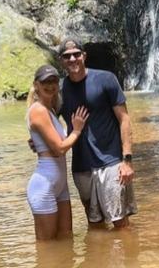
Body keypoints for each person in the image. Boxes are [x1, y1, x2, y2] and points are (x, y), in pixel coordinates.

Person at [58, 39, 137, 229]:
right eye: (67, 56)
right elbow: (46, 118)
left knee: (120, 221)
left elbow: (124, 119)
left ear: (84, 56)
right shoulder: (60, 89)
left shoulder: (106, 79)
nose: (73, 59)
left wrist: (126, 160)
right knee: (94, 223)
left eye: (77, 54)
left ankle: (129, 258)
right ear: (61, 60)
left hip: (111, 163)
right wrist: (36, 139)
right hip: (81, 167)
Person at [26, 64, 89, 240]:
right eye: (45, 81)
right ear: (36, 85)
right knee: (47, 249)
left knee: (66, 240)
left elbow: (49, 141)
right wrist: (76, 130)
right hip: (44, 186)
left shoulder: (50, 110)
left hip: (60, 185)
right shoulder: (38, 110)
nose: (50, 85)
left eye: (54, 80)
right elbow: (60, 148)